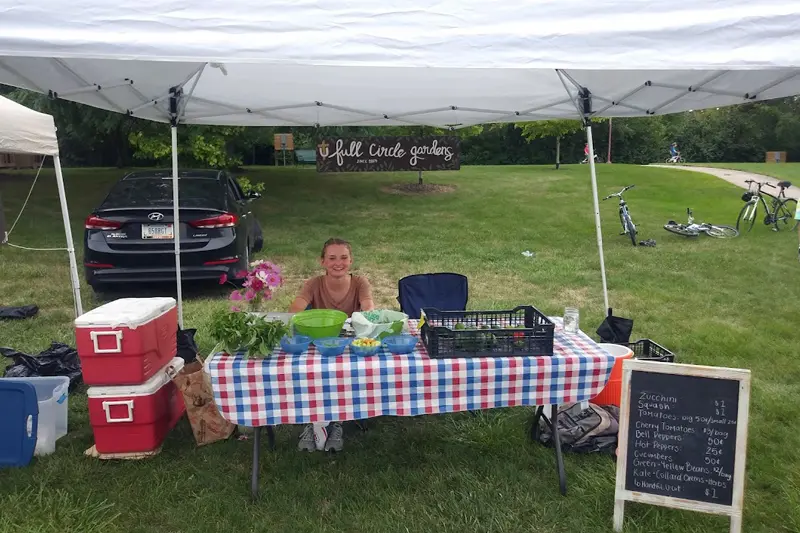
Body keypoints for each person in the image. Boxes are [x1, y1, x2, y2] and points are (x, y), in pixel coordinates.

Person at [289, 238, 375, 452]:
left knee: (346, 374)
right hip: (319, 344)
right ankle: (313, 421)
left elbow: (369, 309)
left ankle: (336, 422)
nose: (338, 263)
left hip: (349, 344)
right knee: (310, 374)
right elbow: (295, 309)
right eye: (332, 258)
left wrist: (363, 316)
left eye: (344, 258)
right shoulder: (314, 283)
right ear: (322, 262)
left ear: (351, 260)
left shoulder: (360, 282)